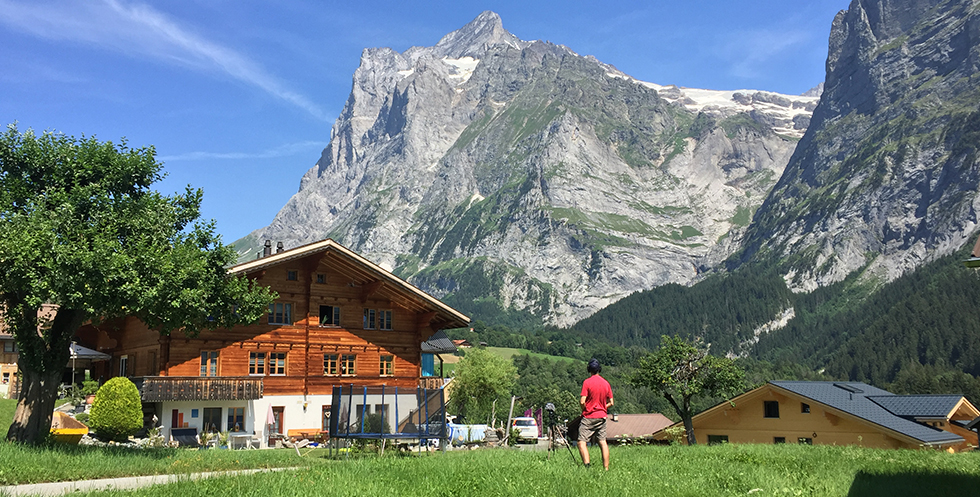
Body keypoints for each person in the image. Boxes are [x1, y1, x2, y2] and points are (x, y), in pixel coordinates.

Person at [578, 358, 613, 470]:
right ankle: (606, 468)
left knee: (581, 442)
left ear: (589, 369)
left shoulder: (587, 382)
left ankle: (587, 466)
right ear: (599, 370)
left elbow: (582, 401)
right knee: (602, 442)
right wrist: (602, 407)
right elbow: (611, 402)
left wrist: (585, 409)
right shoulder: (606, 383)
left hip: (589, 416)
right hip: (602, 416)